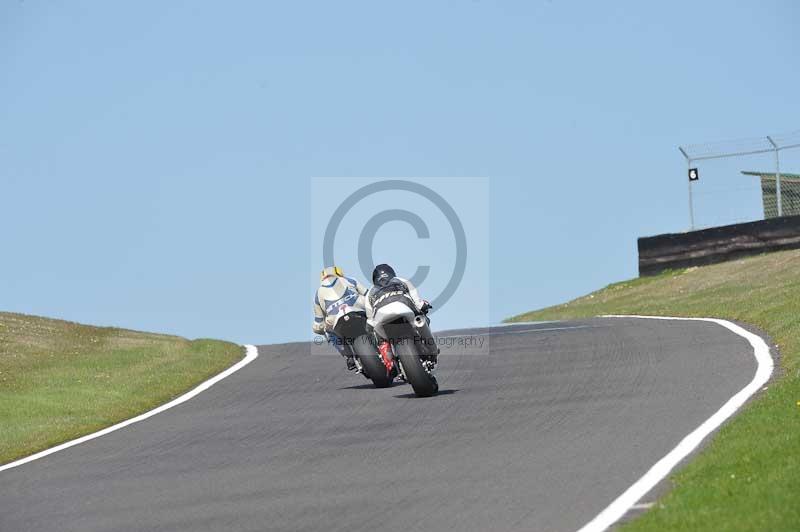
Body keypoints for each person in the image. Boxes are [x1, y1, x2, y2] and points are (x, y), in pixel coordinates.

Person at [365, 263, 433, 363]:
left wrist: (370, 329)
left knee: (378, 338)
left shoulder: (370, 291)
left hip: (382, 318)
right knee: (422, 318)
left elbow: (370, 319)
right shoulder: (401, 280)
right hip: (405, 308)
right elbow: (417, 301)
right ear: (392, 273)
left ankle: (389, 362)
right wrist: (423, 305)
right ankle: (431, 348)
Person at [312, 266, 369, 371]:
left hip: (336, 320)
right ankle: (383, 342)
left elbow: (318, 323)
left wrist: (320, 330)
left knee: (329, 331)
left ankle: (349, 357)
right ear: (339, 273)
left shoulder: (318, 293)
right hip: (358, 310)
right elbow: (368, 294)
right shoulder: (350, 280)